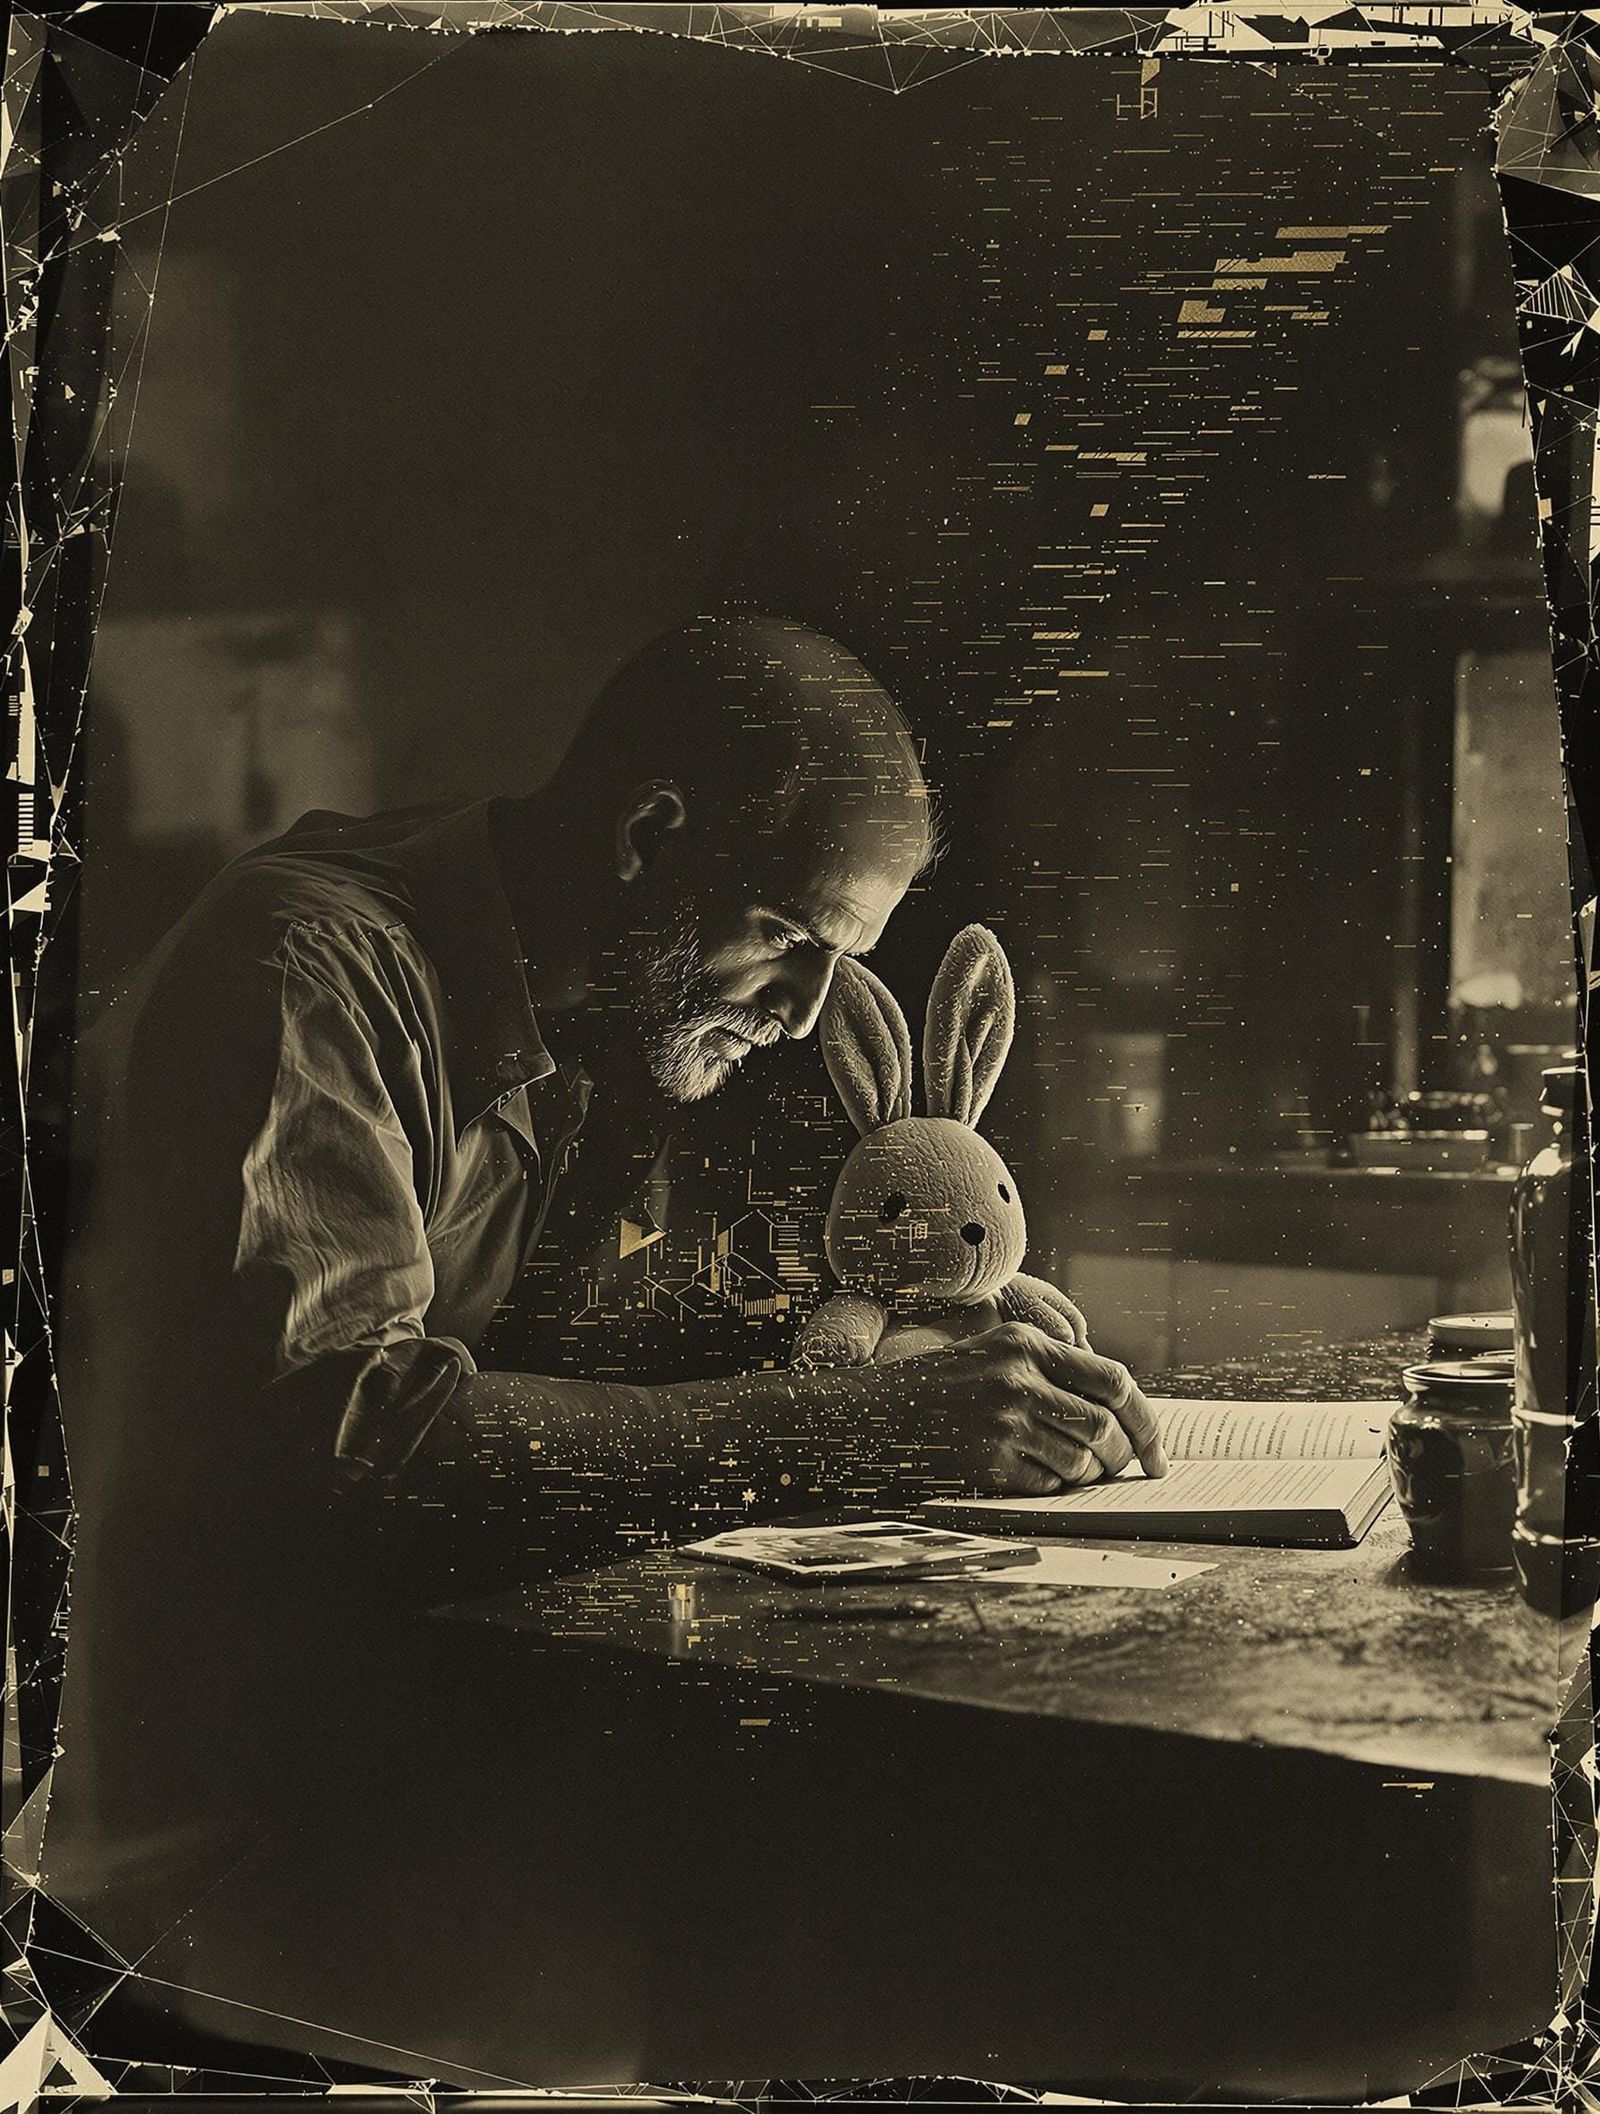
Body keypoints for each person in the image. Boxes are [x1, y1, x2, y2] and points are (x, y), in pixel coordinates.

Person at [46, 615, 1164, 1947]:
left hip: (374, 1733)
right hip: (184, 1825)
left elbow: (572, 1355)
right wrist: (857, 1430)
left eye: (840, 965)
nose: (807, 1012)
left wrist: (903, 1351)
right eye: (788, 940)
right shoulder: (306, 967)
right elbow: (348, 1438)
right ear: (648, 835)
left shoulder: (573, 987)